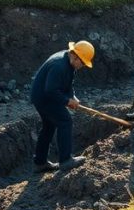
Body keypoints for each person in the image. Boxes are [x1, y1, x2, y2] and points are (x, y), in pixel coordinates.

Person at [29, 40, 94, 172]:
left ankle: (40, 162)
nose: (82, 66)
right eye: (82, 63)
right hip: (44, 98)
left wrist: (72, 97)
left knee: (49, 126)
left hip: (43, 96)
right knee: (65, 121)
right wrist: (67, 101)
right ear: (75, 56)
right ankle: (66, 160)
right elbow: (51, 90)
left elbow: (67, 84)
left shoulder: (69, 61)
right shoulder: (59, 65)